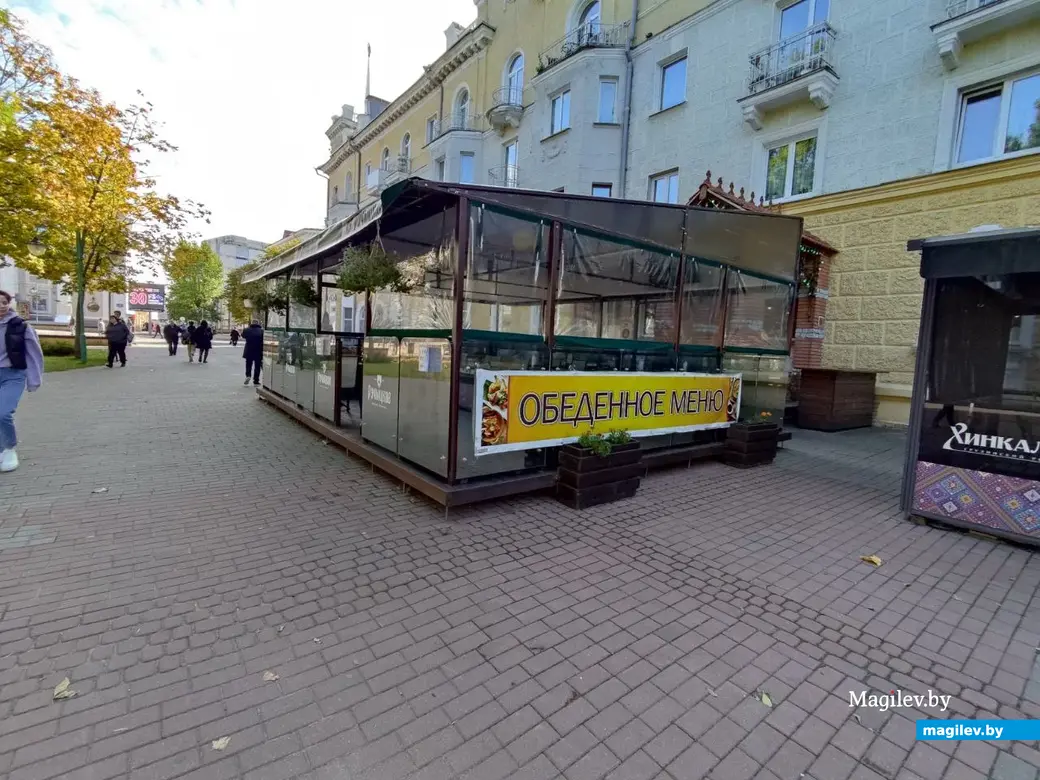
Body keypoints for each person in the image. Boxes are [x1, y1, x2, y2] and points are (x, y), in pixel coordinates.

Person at [0, 290, 44, 473]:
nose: (1, 305)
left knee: (2, 413)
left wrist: (34, 379)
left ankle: (9, 448)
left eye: (4, 302)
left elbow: (34, 354)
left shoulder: (21, 326)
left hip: (12, 374)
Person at [241, 319, 264, 386]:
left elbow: (243, 336)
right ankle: (256, 380)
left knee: (248, 364)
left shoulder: (246, 330)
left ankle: (248, 375)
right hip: (258, 350)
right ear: (258, 323)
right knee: (257, 366)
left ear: (252, 323)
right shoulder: (261, 331)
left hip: (249, 350)